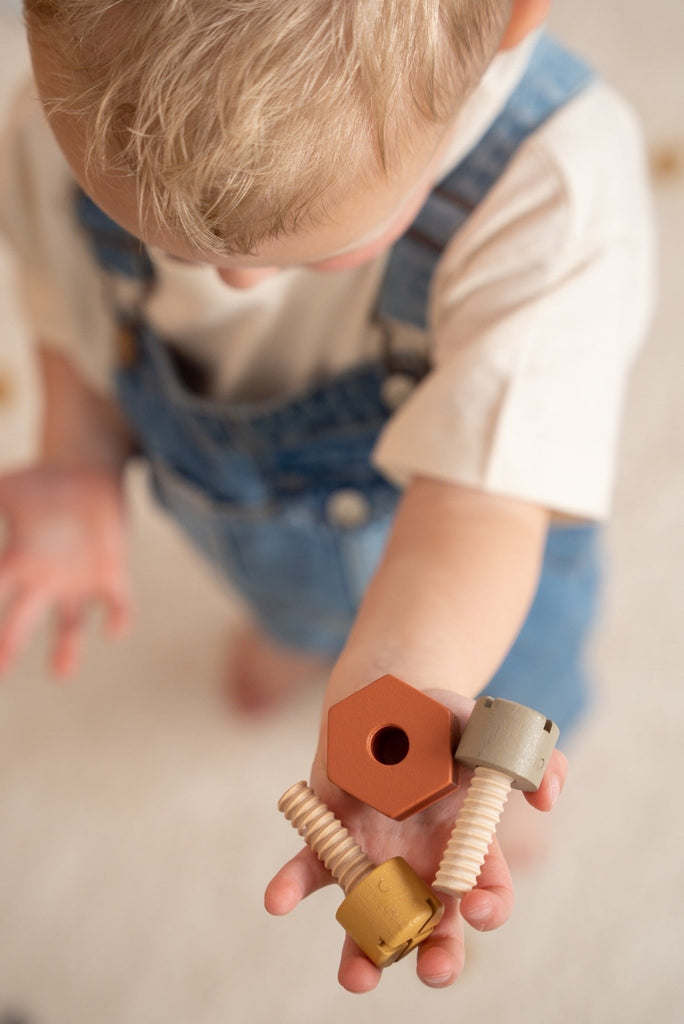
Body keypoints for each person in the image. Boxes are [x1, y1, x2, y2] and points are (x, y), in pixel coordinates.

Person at [0, 0, 654, 993]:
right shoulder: (55, 119)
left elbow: (480, 507)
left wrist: (403, 690)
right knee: (283, 594)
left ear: (511, 19)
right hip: (252, 521)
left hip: (479, 575)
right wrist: (75, 459)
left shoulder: (552, 186)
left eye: (306, 249)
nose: (234, 278)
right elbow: (72, 317)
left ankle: (403, 710)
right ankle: (307, 631)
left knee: (513, 703)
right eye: (158, 239)